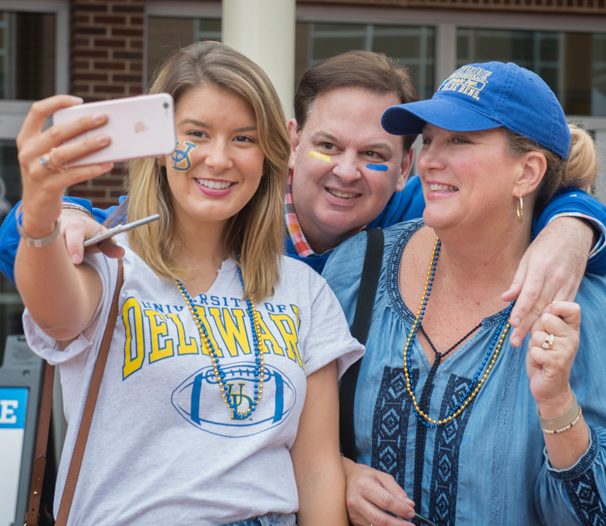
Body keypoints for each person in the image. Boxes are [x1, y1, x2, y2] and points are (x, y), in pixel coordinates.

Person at [1, 51, 605, 344]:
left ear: (406, 168)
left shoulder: (421, 214)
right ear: (290, 143)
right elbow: (22, 245)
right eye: (326, 146)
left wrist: (571, 226)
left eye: (374, 155)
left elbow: (517, 202)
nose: (347, 172)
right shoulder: (230, 209)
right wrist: (69, 215)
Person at [14, 41, 363, 526]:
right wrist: (42, 206)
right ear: (159, 146)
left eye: (243, 138)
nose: (218, 159)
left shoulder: (303, 288)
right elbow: (56, 313)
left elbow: (316, 472)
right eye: (196, 134)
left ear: (268, 154)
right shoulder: (109, 264)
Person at [323, 61, 606, 526]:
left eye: (460, 140)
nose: (431, 159)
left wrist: (557, 403)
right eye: (429, 139)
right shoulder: (357, 267)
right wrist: (339, 475)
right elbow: (286, 436)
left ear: (528, 172)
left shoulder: (584, 312)